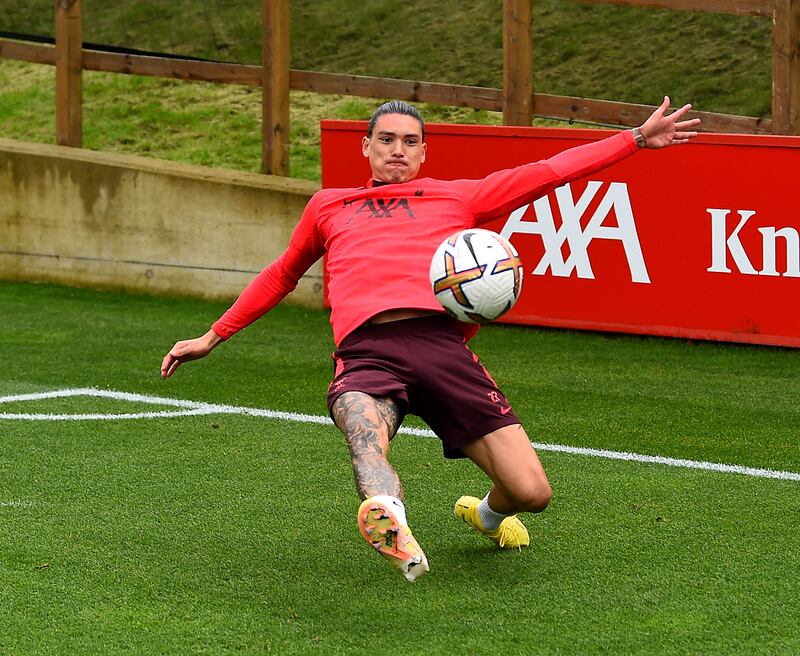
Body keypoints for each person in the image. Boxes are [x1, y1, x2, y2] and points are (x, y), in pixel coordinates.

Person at [161, 97, 700, 582]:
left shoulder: (458, 198)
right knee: (364, 436)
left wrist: (633, 139)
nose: (398, 150)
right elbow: (282, 273)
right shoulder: (329, 206)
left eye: (410, 141)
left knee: (533, 494)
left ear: (424, 152)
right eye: (387, 139)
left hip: (444, 350)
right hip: (366, 350)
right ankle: (388, 516)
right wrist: (214, 334)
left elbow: (548, 172)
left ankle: (485, 514)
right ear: (366, 146)